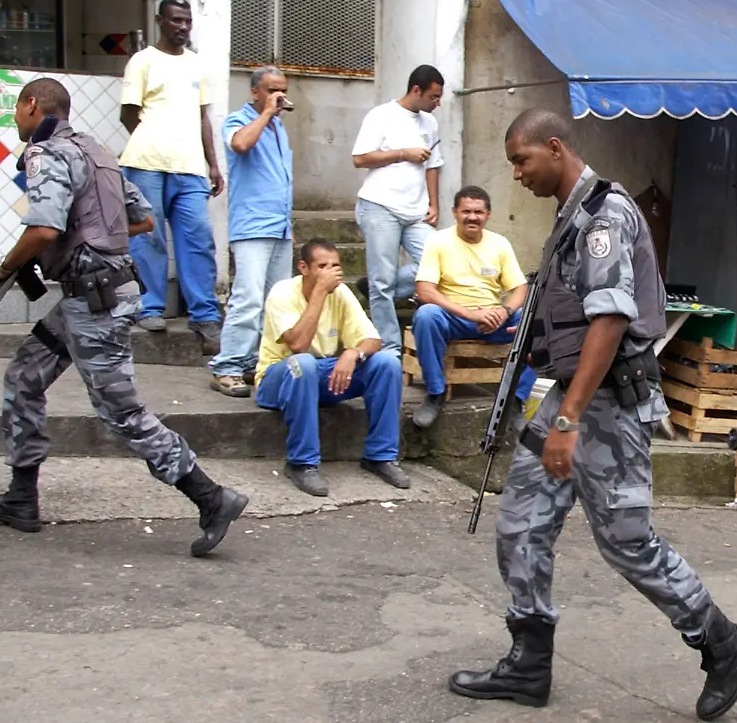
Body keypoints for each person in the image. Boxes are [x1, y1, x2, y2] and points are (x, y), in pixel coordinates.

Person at [448, 109, 737, 722]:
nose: (516, 174)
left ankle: (723, 642)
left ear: (556, 148)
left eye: (522, 160)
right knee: (521, 522)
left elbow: (610, 320)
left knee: (627, 543)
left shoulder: (605, 216)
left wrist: (567, 421)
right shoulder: (570, 217)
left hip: (604, 407)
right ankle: (529, 662)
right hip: (568, 398)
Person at [0, 77, 248, 558]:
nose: (15, 118)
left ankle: (210, 497)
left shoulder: (47, 152)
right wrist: (82, 236)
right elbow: (139, 217)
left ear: (33, 106)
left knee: (123, 413)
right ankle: (21, 498)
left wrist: (8, 265)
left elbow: (42, 228)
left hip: (93, 302)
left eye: (17, 109)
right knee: (25, 375)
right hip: (91, 297)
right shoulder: (96, 151)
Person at [254, 238, 410, 498]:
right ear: (304, 268)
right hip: (278, 377)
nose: (332, 273)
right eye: (323, 266)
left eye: (335, 266)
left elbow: (372, 339)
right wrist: (318, 293)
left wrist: (353, 352)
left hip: (319, 373)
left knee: (387, 363)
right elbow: (298, 345)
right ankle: (302, 463)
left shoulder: (341, 293)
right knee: (304, 364)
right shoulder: (282, 292)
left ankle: (380, 457)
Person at [119, 0, 224, 354]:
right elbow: (128, 113)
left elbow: (203, 118)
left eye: (187, 21)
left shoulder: (197, 65)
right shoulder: (143, 61)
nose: (182, 27)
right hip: (147, 162)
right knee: (148, 237)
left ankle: (204, 314)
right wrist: (154, 139)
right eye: (176, 20)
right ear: (160, 21)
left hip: (191, 167)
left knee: (197, 238)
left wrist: (213, 163)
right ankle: (150, 307)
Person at [410, 185, 538, 428]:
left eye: (478, 212)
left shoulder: (499, 244)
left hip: (493, 321)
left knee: (536, 322)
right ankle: (435, 393)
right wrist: (469, 313)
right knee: (426, 315)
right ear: (455, 213)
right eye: (466, 211)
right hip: (453, 318)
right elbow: (424, 290)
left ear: (488, 215)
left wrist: (504, 312)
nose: (472, 217)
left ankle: (515, 400)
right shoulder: (438, 241)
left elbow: (521, 288)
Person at [207, 66, 296, 398]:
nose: (280, 96)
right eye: (273, 90)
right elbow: (241, 144)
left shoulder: (278, 128)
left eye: (283, 90)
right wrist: (267, 114)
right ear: (255, 92)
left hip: (279, 226)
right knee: (248, 299)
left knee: (276, 302)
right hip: (252, 226)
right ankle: (226, 367)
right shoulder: (238, 120)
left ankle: (252, 363)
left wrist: (289, 227)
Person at [351, 64, 445, 353]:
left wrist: (434, 203)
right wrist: (403, 154)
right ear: (416, 90)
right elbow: (360, 158)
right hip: (380, 205)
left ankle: (385, 286)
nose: (437, 103)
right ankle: (390, 347)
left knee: (439, 263)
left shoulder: (430, 123)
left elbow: (433, 165)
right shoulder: (381, 115)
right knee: (382, 283)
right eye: (433, 96)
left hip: (416, 211)